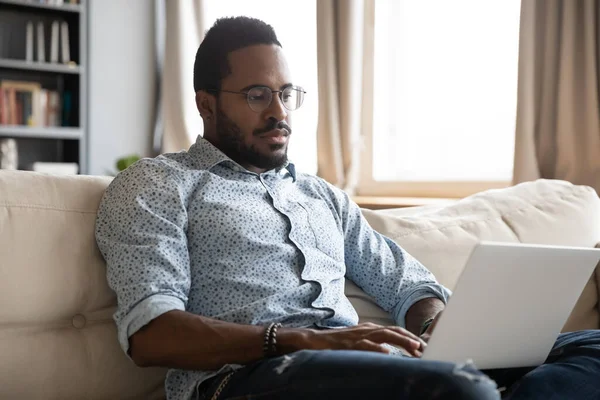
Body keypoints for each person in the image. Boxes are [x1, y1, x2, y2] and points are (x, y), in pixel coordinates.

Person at [95, 16, 600, 400]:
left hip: (363, 368)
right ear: (207, 104)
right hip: (248, 379)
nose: (279, 113)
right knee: (461, 389)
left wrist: (434, 326)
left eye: (286, 94)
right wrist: (302, 342)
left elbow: (407, 285)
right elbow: (151, 335)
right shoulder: (157, 184)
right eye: (256, 95)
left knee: (589, 348)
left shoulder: (322, 197)